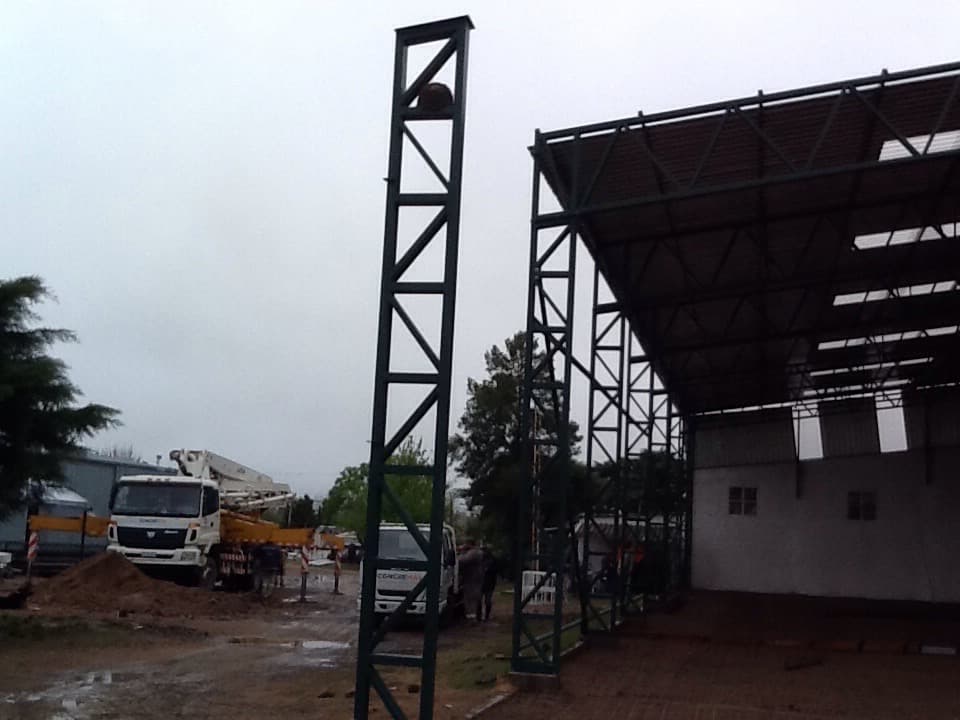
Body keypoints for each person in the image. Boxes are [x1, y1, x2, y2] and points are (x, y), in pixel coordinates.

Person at [478, 548, 498, 622]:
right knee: (483, 600)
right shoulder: (484, 561)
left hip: (488, 583)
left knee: (486, 600)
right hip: (486, 583)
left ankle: (484, 616)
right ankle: (482, 616)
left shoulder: (490, 561)